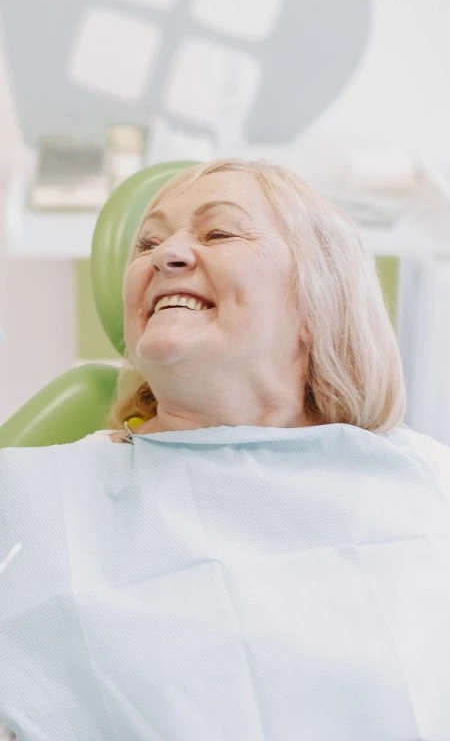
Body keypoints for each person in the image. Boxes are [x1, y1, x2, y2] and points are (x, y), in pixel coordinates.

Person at [1, 157, 449, 741]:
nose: (166, 255)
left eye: (219, 232)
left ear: (319, 298)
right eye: (149, 243)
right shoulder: (38, 495)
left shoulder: (424, 482)